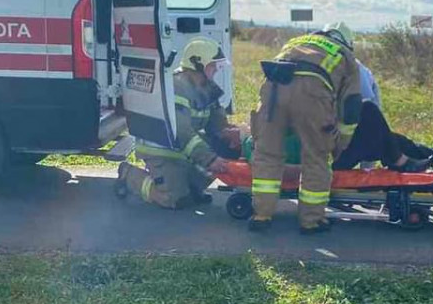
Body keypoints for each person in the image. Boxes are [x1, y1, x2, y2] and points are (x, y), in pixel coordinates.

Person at [248, 22, 361, 235]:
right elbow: (351, 104)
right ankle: (311, 220)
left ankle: (261, 215)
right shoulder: (345, 55)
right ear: (347, 41)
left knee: (267, 154)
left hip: (273, 90)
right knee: (315, 158)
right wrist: (340, 143)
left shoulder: (297, 41)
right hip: (312, 94)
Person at [114, 37, 239, 208]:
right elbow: (181, 131)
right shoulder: (177, 87)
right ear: (198, 64)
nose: (216, 70)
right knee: (173, 199)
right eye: (213, 66)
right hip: (162, 150)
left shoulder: (206, 87)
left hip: (181, 149)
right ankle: (129, 175)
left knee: (225, 147)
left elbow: (217, 123)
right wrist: (209, 160)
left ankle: (192, 187)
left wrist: (230, 135)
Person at [332, 58, 433, 171]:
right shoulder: (350, 67)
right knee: (370, 111)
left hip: (334, 146)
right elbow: (367, 113)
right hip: (333, 151)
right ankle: (403, 161)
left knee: (391, 139)